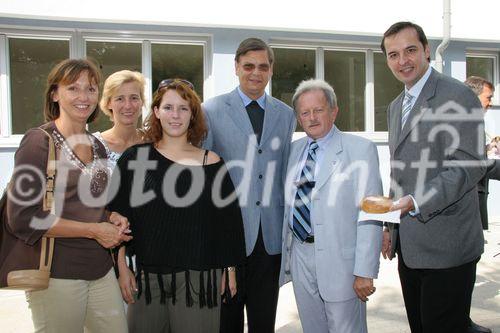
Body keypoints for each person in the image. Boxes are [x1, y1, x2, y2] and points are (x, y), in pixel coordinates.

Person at [108, 79, 246, 332]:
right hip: (147, 278)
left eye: (183, 108)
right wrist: (121, 268)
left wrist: (229, 268)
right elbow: (117, 216)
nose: (175, 115)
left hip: (199, 277)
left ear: (192, 115)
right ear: (157, 112)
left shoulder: (211, 162)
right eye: (169, 107)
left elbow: (228, 223)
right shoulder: (134, 159)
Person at [5, 58, 131, 332]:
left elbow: (90, 203)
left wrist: (111, 215)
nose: (83, 97)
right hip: (57, 274)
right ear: (54, 93)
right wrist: (93, 230)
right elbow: (23, 218)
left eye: (91, 89)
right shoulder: (39, 141)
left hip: (100, 269)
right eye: (73, 88)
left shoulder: (96, 145)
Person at [380, 22, 486, 333]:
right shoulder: (396, 106)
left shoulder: (458, 95)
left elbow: (469, 164)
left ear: (427, 50)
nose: (403, 61)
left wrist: (415, 201)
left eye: (410, 50)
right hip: (410, 249)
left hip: (448, 247)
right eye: (393, 55)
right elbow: (399, 169)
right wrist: (389, 224)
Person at [202, 37, 296, 333]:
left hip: (269, 236)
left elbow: (284, 170)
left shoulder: (286, 114)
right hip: (229, 235)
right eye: (248, 66)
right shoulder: (212, 110)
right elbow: (205, 176)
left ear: (271, 70)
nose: (256, 73)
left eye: (263, 67)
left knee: (263, 320)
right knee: (226, 321)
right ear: (236, 67)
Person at [279, 79, 383, 333]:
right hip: (301, 256)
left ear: (334, 111)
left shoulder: (360, 150)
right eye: (305, 113)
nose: (312, 118)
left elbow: (371, 213)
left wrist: (364, 271)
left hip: (342, 263)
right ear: (298, 118)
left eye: (319, 110)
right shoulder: (293, 151)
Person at [463, 76, 497, 333]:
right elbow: (472, 165)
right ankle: (461, 321)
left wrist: (488, 147)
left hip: (475, 201)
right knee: (465, 263)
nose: (490, 103)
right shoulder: (463, 123)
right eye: (488, 98)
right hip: (466, 206)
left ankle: (463, 318)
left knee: (471, 260)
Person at [94, 70, 146, 172]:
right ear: (109, 103)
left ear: (141, 101)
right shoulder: (93, 146)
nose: (128, 106)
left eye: (134, 98)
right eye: (120, 99)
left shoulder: (154, 141)